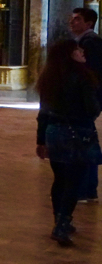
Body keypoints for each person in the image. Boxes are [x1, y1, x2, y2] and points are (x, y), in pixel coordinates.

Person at [35, 38, 100, 246]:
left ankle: (59, 219)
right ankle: (62, 224)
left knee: (60, 179)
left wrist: (41, 140)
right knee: (74, 181)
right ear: (69, 54)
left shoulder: (49, 78)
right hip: (78, 132)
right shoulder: (83, 77)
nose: (82, 52)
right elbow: (92, 110)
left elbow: (43, 113)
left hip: (54, 131)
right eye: (77, 50)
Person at [69, 7, 102, 202]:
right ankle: (89, 190)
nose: (72, 22)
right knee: (87, 141)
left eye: (77, 19)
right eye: (72, 19)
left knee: (81, 145)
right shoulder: (86, 41)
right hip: (89, 99)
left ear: (89, 23)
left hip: (86, 100)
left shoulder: (91, 43)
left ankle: (83, 190)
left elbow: (90, 75)